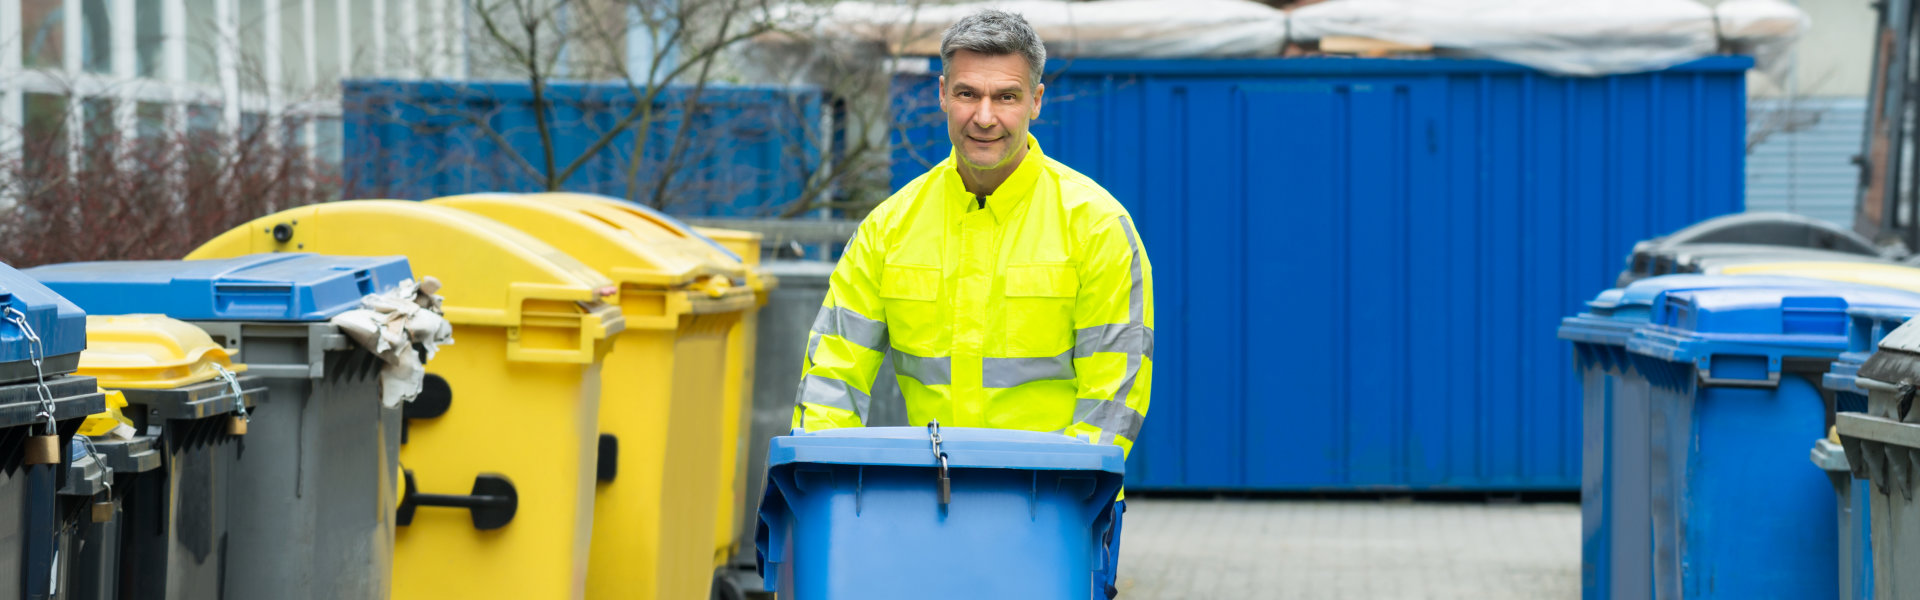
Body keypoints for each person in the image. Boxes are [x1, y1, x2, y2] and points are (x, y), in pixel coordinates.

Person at [791, 8, 1153, 598]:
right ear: (941, 94)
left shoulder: (1095, 227)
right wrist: (820, 498)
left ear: (1037, 100)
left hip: (1052, 512)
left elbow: (1115, 395)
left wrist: (1070, 503)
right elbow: (831, 377)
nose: (985, 117)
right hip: (919, 513)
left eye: (1005, 96)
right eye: (967, 94)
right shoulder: (890, 228)